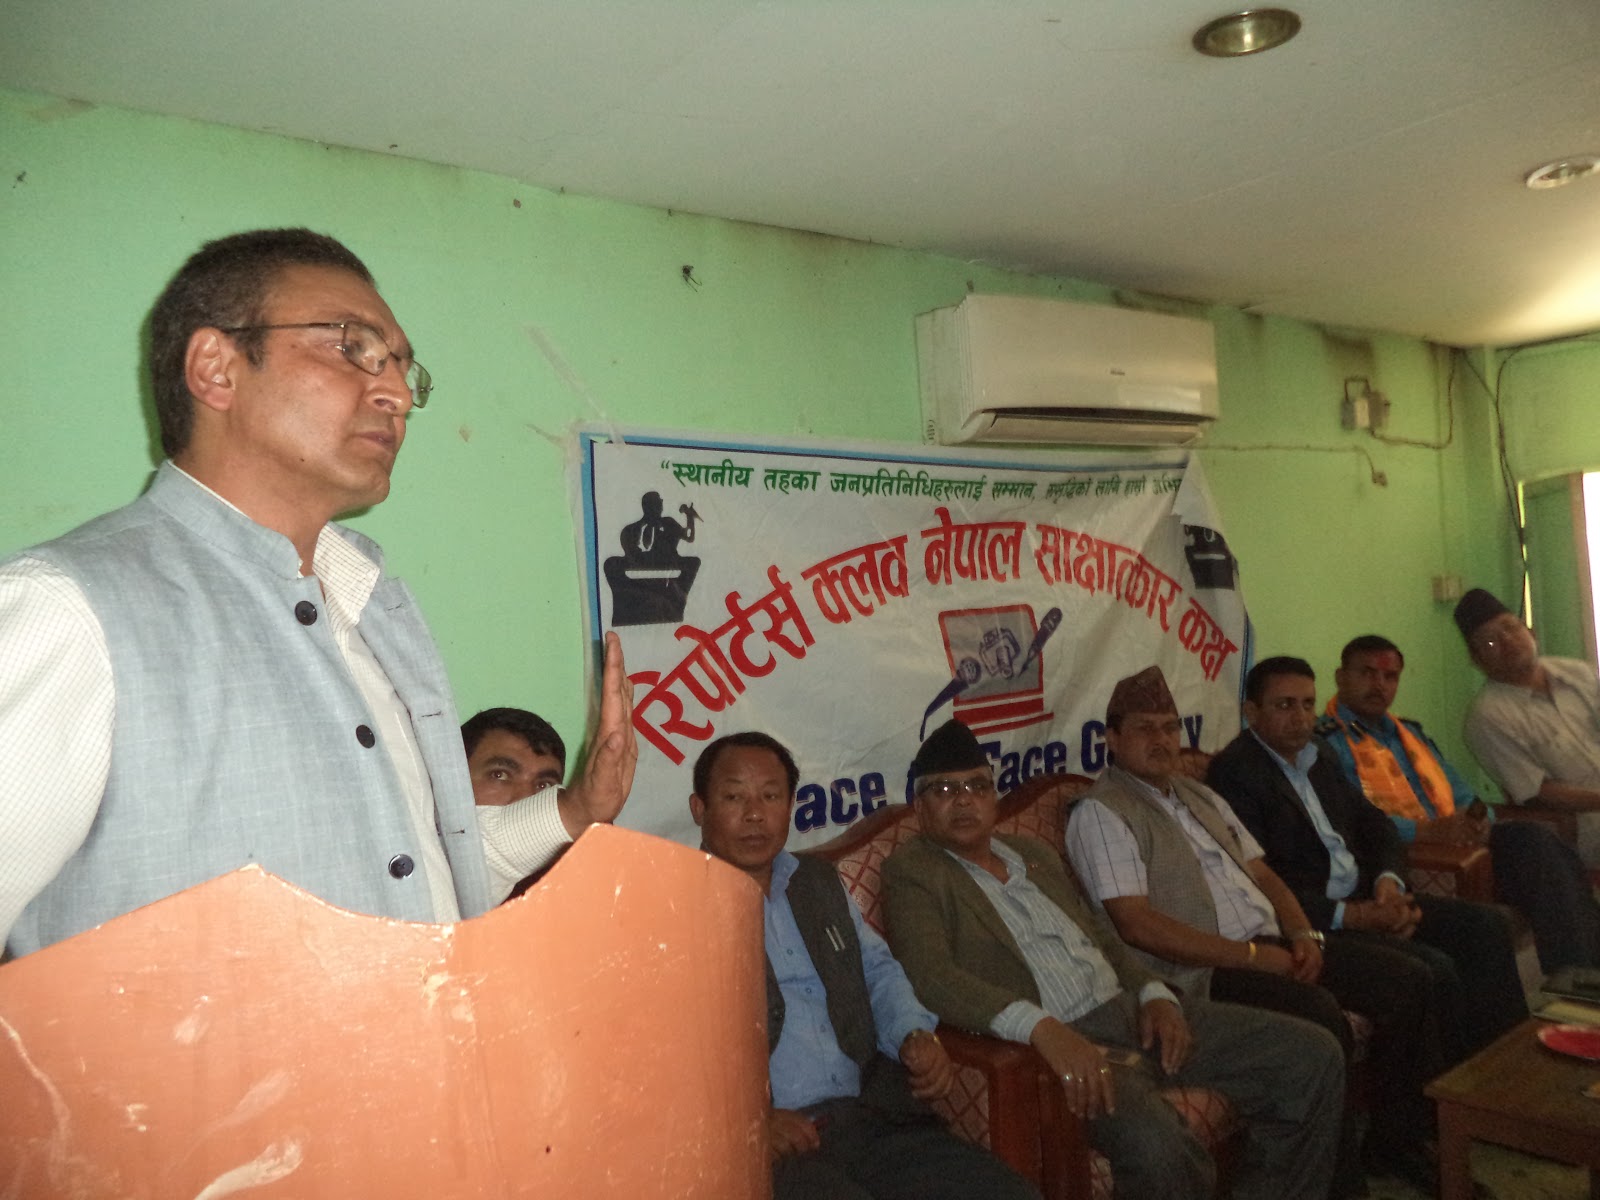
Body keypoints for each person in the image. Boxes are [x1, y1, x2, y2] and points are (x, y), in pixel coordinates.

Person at [0, 228, 636, 958]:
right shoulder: (68, 612)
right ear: (216, 369)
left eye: (403, 367)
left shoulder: (368, 611)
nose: (398, 394)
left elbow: (413, 879)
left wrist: (575, 809)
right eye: (352, 347)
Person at [884, 719, 1343, 1200]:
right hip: (1061, 1043)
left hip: (1130, 1012)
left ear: (993, 796)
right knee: (1157, 1146)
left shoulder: (1030, 852)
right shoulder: (914, 870)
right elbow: (930, 976)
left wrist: (1154, 993)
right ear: (920, 808)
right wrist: (1042, 1029)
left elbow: (1100, 933)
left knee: (1312, 1055)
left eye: (977, 786)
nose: (964, 800)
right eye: (944, 790)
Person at [1068, 666, 1441, 1192]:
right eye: (1145, 728)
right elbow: (1136, 925)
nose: (1162, 740)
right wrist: (1250, 956)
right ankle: (1338, 1186)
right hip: (1199, 972)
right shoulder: (1103, 812)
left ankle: (1398, 1143)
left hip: (1268, 944)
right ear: (1111, 739)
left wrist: (1303, 935)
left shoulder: (1198, 795)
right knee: (1319, 1016)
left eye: (1170, 727)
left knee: (1408, 979)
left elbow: (1263, 874)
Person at [689, 731, 1039, 1200]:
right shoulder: (677, 909)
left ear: (790, 806)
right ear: (700, 809)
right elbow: (671, 1046)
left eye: (770, 796)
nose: (755, 814)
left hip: (871, 1113)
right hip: (779, 1143)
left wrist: (913, 1033)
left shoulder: (818, 883)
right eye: (734, 797)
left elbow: (877, 970)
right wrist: (746, 1121)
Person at [1206, 656, 1527, 1067]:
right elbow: (1261, 882)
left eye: (1307, 704)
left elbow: (1375, 825)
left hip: (1367, 898)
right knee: (1429, 971)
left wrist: (1388, 884)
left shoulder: (1319, 754)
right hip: (1312, 922)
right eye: (1284, 705)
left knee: (1486, 926)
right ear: (1251, 712)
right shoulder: (1235, 774)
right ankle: (1436, 1099)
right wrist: (1357, 916)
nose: (1300, 718)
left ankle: (1504, 1070)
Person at [1323, 634, 1599, 970]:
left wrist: (1476, 820)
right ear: (1341, 677)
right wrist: (1426, 831)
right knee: (1533, 871)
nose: (1379, 684)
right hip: (1403, 855)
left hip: (1459, 840)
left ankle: (1578, 976)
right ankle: (1576, 975)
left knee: (1538, 843)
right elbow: (1352, 821)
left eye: (1389, 676)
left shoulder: (1410, 734)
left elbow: (1464, 795)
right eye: (1367, 673)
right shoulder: (1325, 745)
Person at [1455, 587, 1600, 867]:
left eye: (1511, 628)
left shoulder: (1578, 673)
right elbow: (1536, 793)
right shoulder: (1487, 717)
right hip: (1582, 835)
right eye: (1490, 641)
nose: (1507, 641)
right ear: (1476, 659)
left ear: (1531, 632)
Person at [462, 707, 572, 902]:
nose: (526, 799)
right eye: (500, 775)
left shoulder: (567, 891)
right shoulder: (423, 873)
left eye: (544, 786)